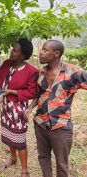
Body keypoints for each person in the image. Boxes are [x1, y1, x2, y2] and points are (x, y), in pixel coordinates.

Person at [24, 40, 87, 177]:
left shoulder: (73, 72)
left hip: (61, 126)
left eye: (45, 50)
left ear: (56, 53)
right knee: (43, 157)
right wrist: (29, 108)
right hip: (40, 123)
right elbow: (38, 95)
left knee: (62, 163)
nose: (40, 52)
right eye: (42, 49)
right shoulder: (41, 73)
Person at [0, 38, 38, 177]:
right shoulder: (7, 63)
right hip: (5, 106)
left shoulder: (31, 71)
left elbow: (32, 92)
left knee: (19, 138)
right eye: (12, 49)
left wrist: (11, 92)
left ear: (22, 55)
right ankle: (13, 158)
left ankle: (25, 169)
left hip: (18, 108)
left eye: (15, 50)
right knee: (9, 134)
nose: (11, 51)